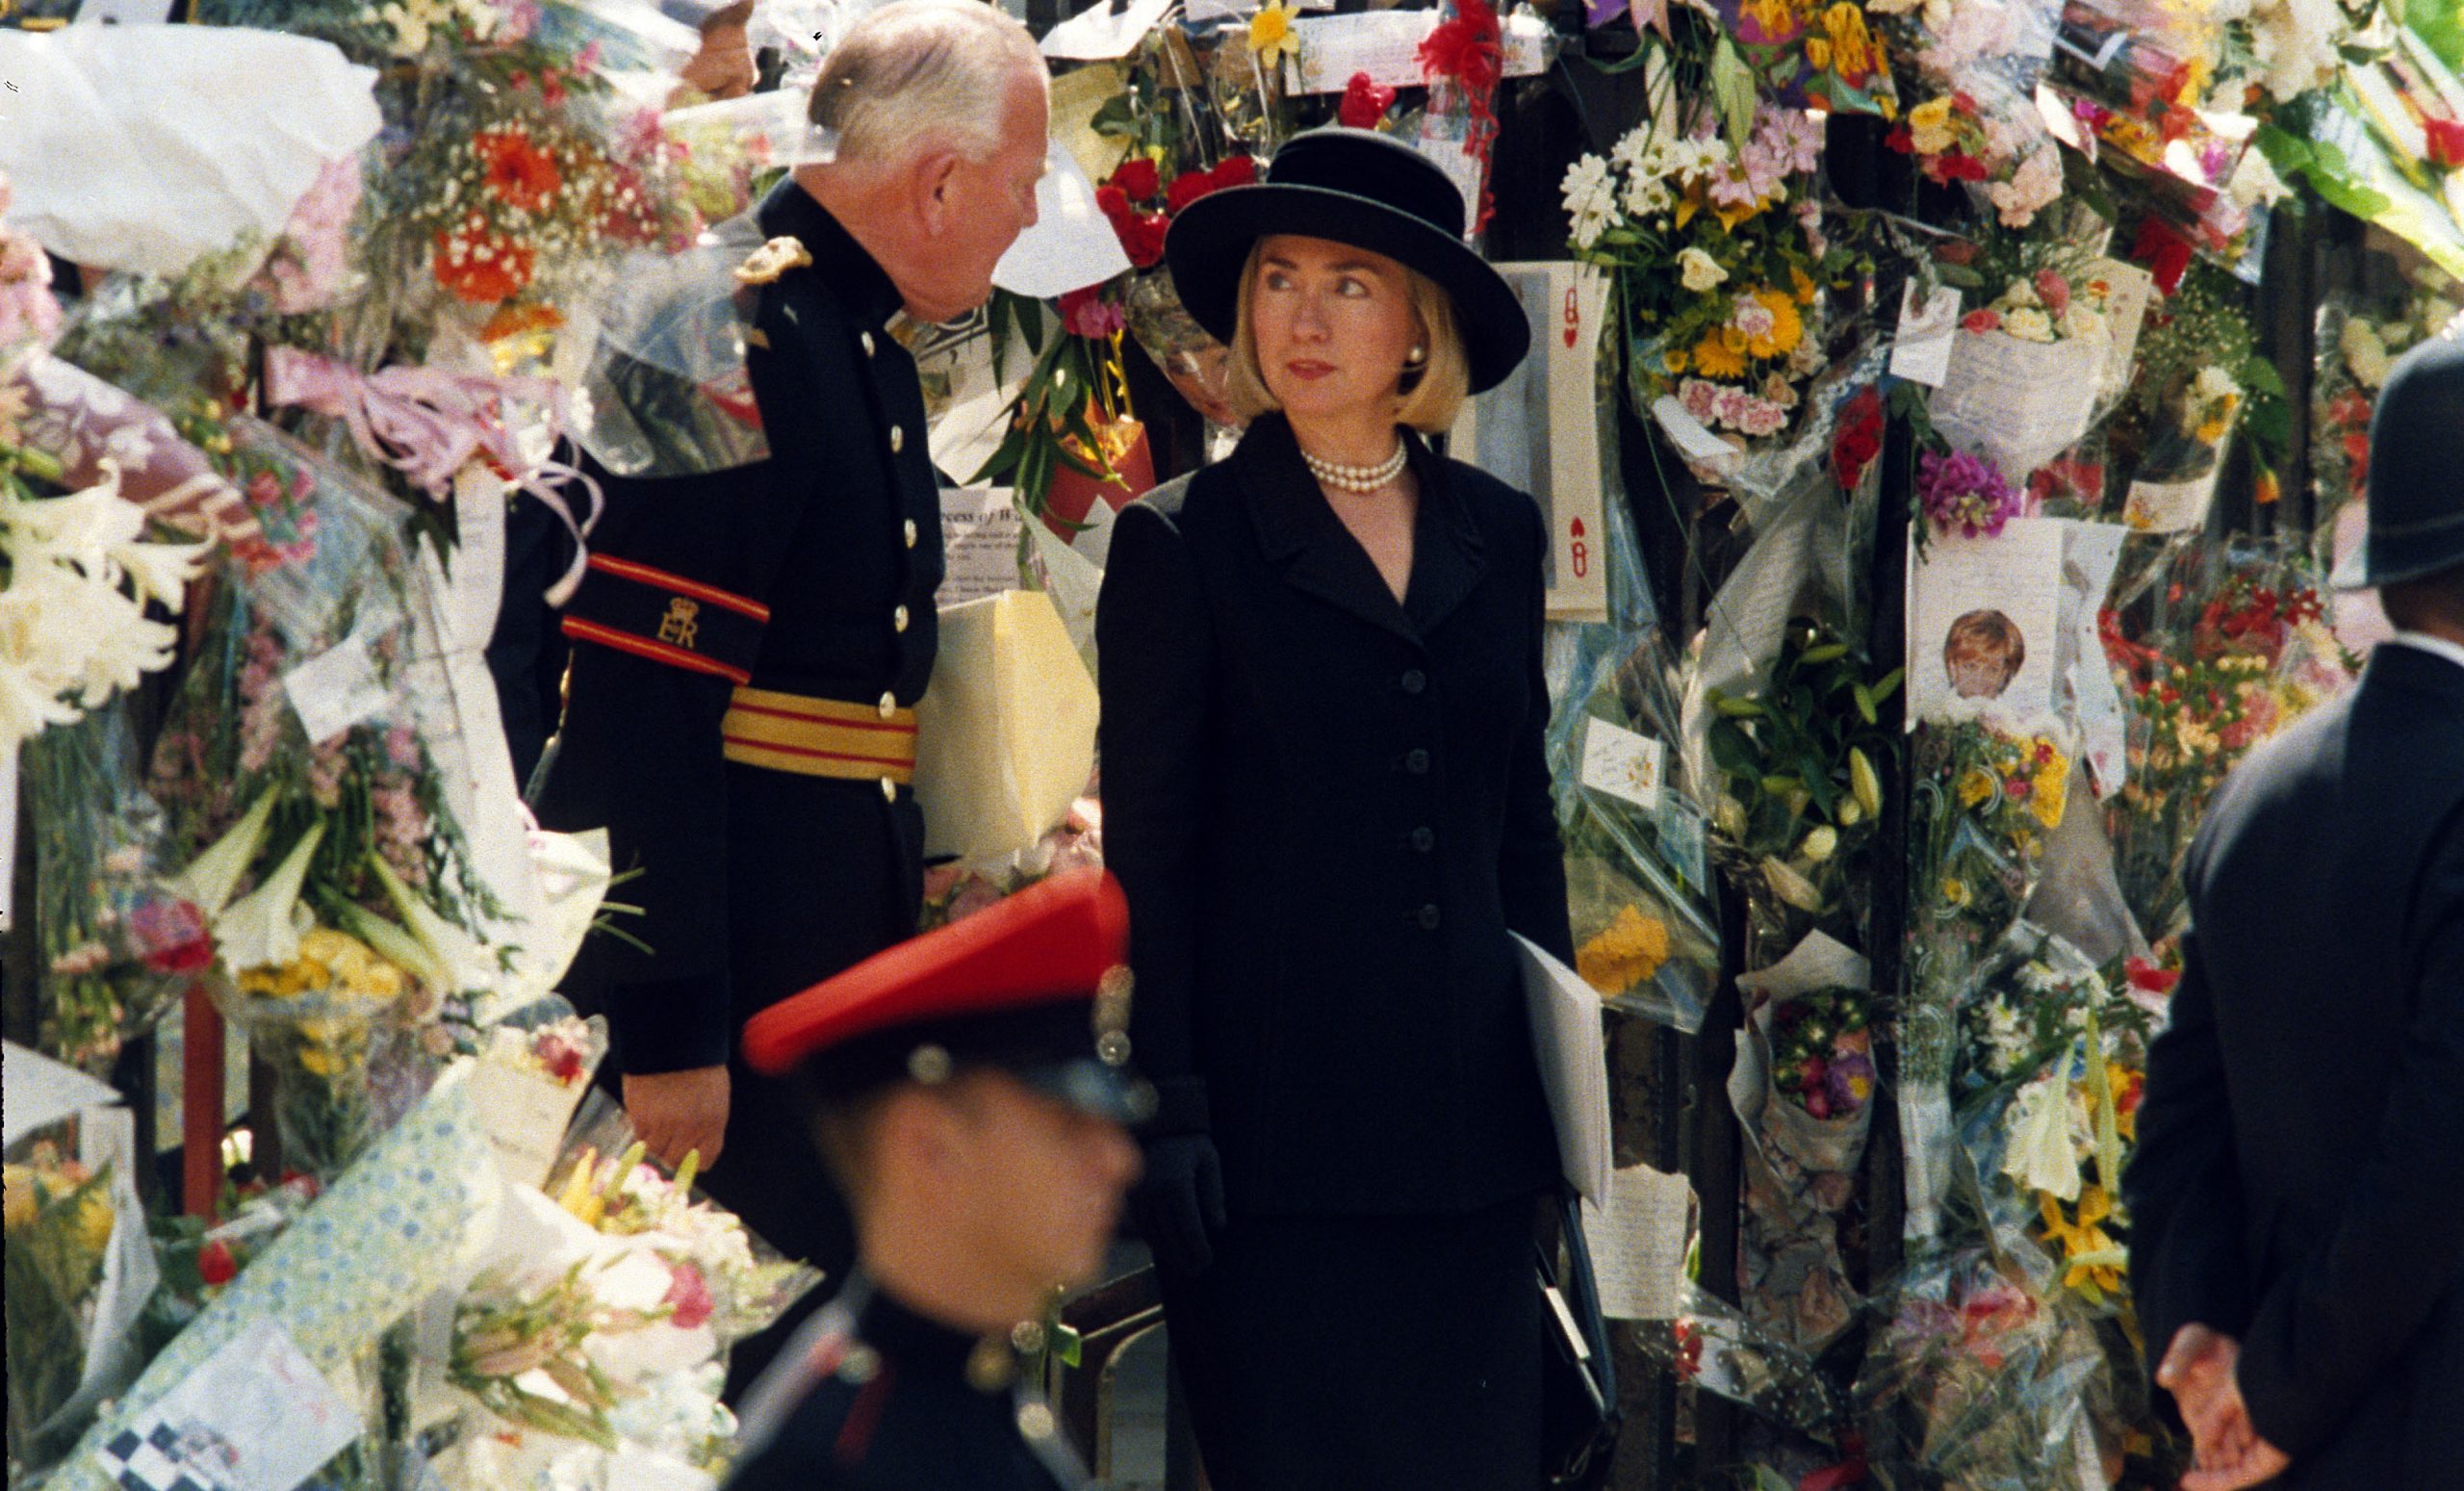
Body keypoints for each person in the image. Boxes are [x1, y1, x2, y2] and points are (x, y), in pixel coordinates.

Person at [532, 0, 1048, 1388]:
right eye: (1021, 182)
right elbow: (640, 702)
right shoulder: (727, 321)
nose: (1032, 212)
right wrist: (670, 1024)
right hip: (736, 968)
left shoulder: (850, 336)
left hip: (820, 941)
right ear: (937, 183)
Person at [1095, 126, 1572, 1489]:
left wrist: (1560, 1093)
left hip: (1475, 1148)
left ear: (1420, 326)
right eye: (1279, 278)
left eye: (1350, 283)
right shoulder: (1184, 540)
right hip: (1273, 1153)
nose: (1303, 316)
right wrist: (1172, 1103)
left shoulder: (1498, 527)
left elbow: (1519, 819)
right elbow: (1153, 855)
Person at [2125, 332, 2464, 1491]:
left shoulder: (2260, 785)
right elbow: (2435, 1163)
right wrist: (2272, 1392)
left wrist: (2198, 1340)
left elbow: (2178, 1120)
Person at [722, 868, 1145, 1491]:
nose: (1119, 1161)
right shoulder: (838, 1462)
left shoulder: (968, 1397)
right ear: (927, 1145)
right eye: (1065, 1124)